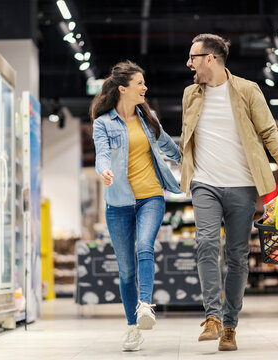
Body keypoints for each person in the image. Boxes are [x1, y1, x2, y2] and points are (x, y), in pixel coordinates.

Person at [179, 34, 278, 351]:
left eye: (193, 57)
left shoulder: (246, 90)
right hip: (204, 182)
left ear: (210, 58)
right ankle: (212, 317)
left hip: (243, 185)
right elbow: (187, 137)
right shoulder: (191, 94)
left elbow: (269, 130)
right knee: (206, 242)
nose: (189, 63)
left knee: (237, 257)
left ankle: (230, 327)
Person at [91, 60, 182, 352]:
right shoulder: (102, 123)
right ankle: (132, 328)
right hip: (118, 202)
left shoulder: (148, 117)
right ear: (122, 89)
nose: (145, 87)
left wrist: (191, 161)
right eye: (140, 83)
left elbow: (167, 145)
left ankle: (145, 306)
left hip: (151, 196)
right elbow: (102, 154)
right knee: (126, 270)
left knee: (145, 246)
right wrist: (103, 171)